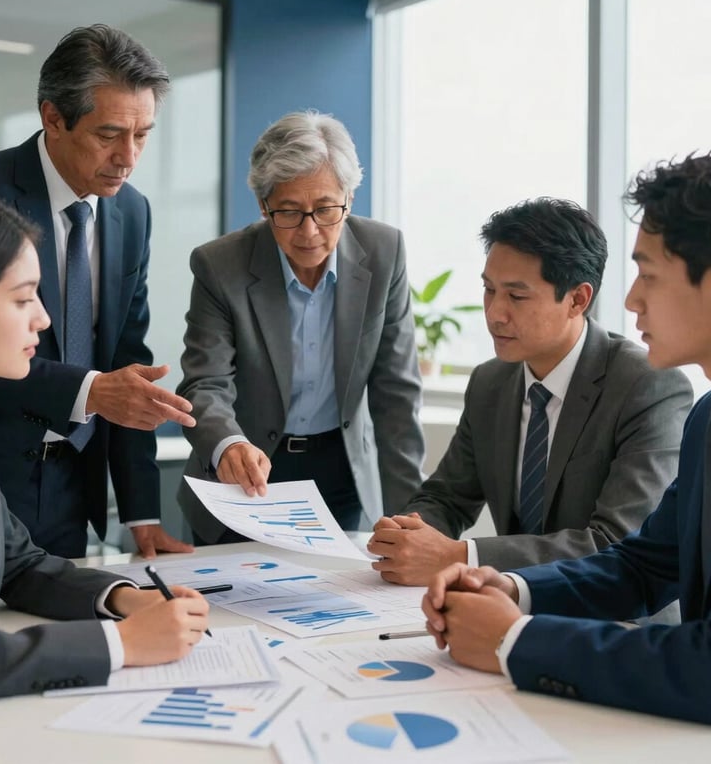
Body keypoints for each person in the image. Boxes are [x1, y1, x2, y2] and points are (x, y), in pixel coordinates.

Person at [421, 154, 711, 725]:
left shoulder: (654, 389)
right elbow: (643, 568)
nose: (630, 300)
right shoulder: (706, 420)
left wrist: (516, 641)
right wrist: (509, 587)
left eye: (649, 274)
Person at [0, 190, 208, 706]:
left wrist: (124, 599)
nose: (43, 318)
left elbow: (18, 563)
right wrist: (120, 645)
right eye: (22, 299)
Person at [0, 24, 196, 559]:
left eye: (144, 134)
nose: (129, 157)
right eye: (109, 135)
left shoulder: (132, 210)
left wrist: (142, 515)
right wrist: (90, 391)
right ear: (52, 118)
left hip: (75, 493)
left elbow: (129, 362)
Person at [369, 198, 692, 586]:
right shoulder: (491, 382)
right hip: (510, 609)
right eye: (489, 290)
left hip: (618, 626)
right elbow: (446, 497)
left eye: (516, 296)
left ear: (577, 299)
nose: (494, 313)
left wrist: (461, 555)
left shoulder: (647, 386)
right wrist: (408, 533)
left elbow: (616, 544)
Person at [177, 110, 425, 543]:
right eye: (289, 212)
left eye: (326, 209)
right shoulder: (221, 265)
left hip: (341, 469)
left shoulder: (384, 252)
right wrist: (229, 446)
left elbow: (397, 395)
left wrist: (412, 519)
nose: (309, 231)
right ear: (263, 205)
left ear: (348, 197)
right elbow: (205, 384)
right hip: (246, 471)